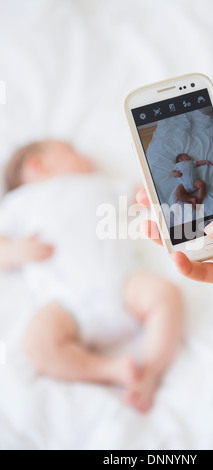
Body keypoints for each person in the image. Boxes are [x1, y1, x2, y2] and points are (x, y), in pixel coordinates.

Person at [0, 140, 184, 413]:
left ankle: (150, 372)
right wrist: (15, 251)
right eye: (72, 151)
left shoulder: (103, 184)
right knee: (37, 343)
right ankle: (107, 370)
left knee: (165, 295)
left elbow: (146, 195)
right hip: (64, 305)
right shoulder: (19, 202)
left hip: (123, 286)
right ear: (37, 164)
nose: (85, 156)